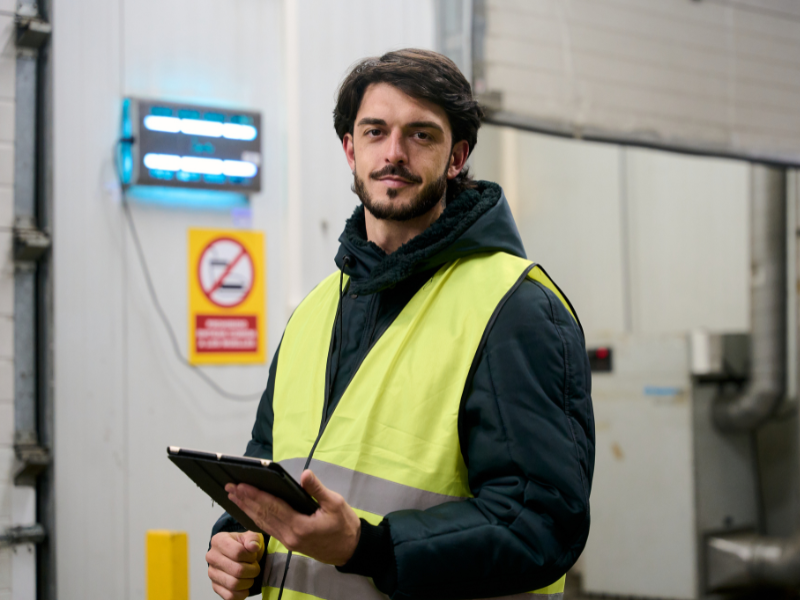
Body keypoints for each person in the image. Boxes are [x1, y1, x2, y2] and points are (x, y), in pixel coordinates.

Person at [206, 48, 594, 600]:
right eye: (375, 132)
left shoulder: (516, 308)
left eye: (421, 135)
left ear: (456, 157)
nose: (394, 153)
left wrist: (366, 547)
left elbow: (539, 524)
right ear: (350, 149)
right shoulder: (316, 310)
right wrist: (238, 537)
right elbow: (271, 463)